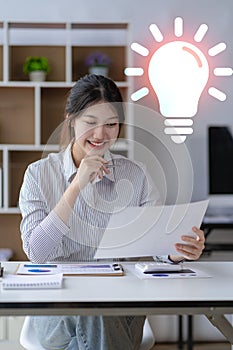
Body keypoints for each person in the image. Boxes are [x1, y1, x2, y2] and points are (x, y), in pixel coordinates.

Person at [19, 74, 205, 350]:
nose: (100, 135)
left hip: (121, 306)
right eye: (90, 123)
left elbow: (158, 243)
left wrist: (177, 250)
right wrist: (75, 187)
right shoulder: (39, 175)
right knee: (94, 308)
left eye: (111, 125)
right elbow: (36, 252)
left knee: (100, 309)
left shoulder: (135, 174)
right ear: (71, 119)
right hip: (57, 308)